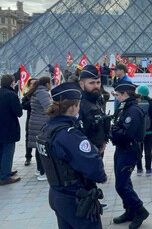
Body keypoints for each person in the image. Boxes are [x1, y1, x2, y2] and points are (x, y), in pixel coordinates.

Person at [36, 82, 107, 229]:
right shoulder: (68, 134)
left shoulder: (47, 129)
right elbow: (92, 164)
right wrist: (102, 177)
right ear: (74, 106)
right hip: (76, 198)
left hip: (57, 193)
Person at [111, 81, 149, 229]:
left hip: (129, 150)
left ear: (125, 94)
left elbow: (127, 134)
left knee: (121, 186)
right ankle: (129, 210)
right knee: (125, 182)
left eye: (118, 95)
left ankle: (140, 210)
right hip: (121, 149)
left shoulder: (133, 111)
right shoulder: (124, 107)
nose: (117, 98)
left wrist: (112, 132)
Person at [78, 65, 110, 156]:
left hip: (98, 152)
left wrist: (104, 141)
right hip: (85, 154)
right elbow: (76, 133)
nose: (96, 86)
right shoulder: (78, 104)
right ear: (81, 84)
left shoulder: (97, 100)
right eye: (92, 83)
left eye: (98, 82)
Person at [0, 74, 23, 185]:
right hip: (8, 128)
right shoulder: (11, 95)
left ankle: (3, 171)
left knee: (1, 151)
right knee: (8, 152)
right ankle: (5, 176)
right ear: (12, 83)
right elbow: (18, 113)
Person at [28, 76, 52, 181]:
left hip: (36, 122)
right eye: (50, 82)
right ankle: (42, 172)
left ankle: (39, 170)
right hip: (41, 124)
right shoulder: (42, 93)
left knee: (39, 148)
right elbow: (48, 107)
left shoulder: (37, 92)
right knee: (42, 148)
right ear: (47, 84)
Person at [136, 85, 152, 177]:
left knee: (138, 150)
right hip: (150, 131)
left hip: (138, 131)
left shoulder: (136, 102)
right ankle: (148, 169)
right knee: (148, 150)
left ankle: (139, 169)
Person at [22, 78, 38, 166]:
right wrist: (32, 101)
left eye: (35, 83)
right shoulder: (27, 95)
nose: (33, 85)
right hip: (30, 119)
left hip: (40, 120)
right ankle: (28, 157)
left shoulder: (42, 94)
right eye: (31, 84)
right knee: (28, 138)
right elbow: (23, 106)